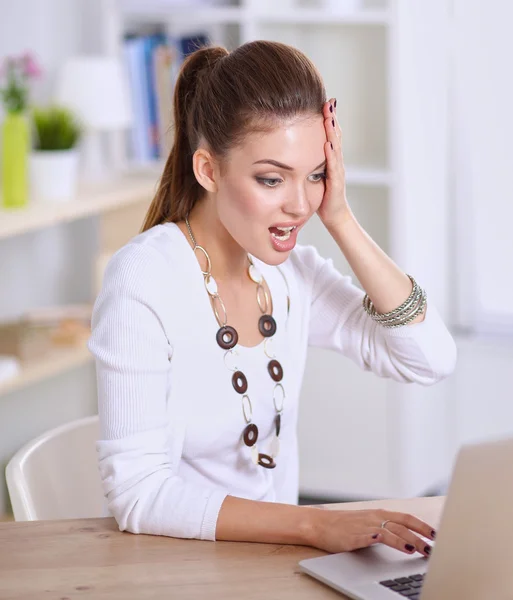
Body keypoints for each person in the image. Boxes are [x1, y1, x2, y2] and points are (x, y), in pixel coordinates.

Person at [88, 40, 456, 557]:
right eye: (270, 179)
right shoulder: (144, 280)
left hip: (277, 566)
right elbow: (139, 493)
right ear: (208, 170)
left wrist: (341, 218)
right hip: (178, 569)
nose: (300, 204)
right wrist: (312, 525)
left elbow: (430, 359)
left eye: (315, 175)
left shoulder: (290, 275)